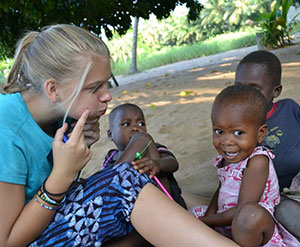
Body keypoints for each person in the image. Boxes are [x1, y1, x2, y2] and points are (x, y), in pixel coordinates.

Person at [0, 24, 240, 247]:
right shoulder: (6, 131)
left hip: (44, 220)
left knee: (143, 188)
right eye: (94, 88)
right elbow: (7, 239)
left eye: (106, 84)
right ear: (53, 90)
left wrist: (74, 160)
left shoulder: (61, 115)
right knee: (122, 183)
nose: (107, 96)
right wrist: (62, 177)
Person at [189, 85, 299, 246]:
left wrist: (206, 222)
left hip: (255, 231)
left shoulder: (257, 161)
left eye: (238, 133)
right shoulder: (229, 157)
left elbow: (242, 210)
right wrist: (208, 217)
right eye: (219, 131)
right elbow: (221, 189)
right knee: (193, 214)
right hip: (226, 221)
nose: (226, 141)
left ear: (260, 134)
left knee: (248, 216)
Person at [235, 50, 300, 239]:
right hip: (282, 196)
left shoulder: (289, 109)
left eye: (254, 88)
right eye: (239, 87)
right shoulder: (237, 125)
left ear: (276, 91)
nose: (246, 95)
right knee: (283, 210)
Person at [105, 103, 187, 208]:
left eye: (141, 124)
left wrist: (158, 164)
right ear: (110, 134)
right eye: (126, 124)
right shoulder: (111, 158)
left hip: (167, 207)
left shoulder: (152, 148)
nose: (135, 128)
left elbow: (173, 163)